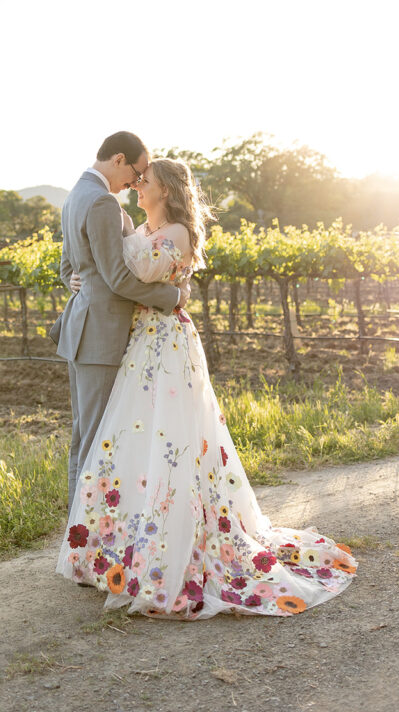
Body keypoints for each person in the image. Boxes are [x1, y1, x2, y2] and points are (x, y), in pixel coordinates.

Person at [56, 156, 358, 619]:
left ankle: (171, 545)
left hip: (166, 345)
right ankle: (118, 541)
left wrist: (115, 271)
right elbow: (112, 268)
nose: (138, 186)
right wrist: (81, 276)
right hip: (141, 343)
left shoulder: (176, 232)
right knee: (131, 444)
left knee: (170, 442)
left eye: (146, 181)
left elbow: (130, 276)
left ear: (167, 191)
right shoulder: (138, 226)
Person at [50, 132, 191, 515]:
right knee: (97, 439)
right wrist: (172, 297)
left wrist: (78, 282)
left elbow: (69, 267)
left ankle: (78, 538)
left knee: (84, 437)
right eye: (136, 171)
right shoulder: (101, 202)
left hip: (84, 329)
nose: (135, 181)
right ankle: (84, 542)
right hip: (101, 334)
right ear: (118, 159)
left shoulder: (76, 195)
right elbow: (115, 278)